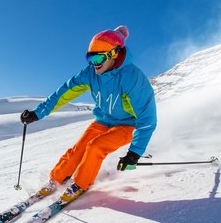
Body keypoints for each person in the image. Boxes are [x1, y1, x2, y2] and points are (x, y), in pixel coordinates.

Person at [20, 25, 157, 203]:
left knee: (95, 147)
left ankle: (80, 184)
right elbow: (63, 93)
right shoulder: (90, 74)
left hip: (128, 124)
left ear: (113, 54)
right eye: (89, 58)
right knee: (80, 148)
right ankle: (56, 179)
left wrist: (134, 153)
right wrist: (37, 114)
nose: (94, 64)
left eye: (99, 57)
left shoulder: (132, 77)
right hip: (103, 121)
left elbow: (147, 118)